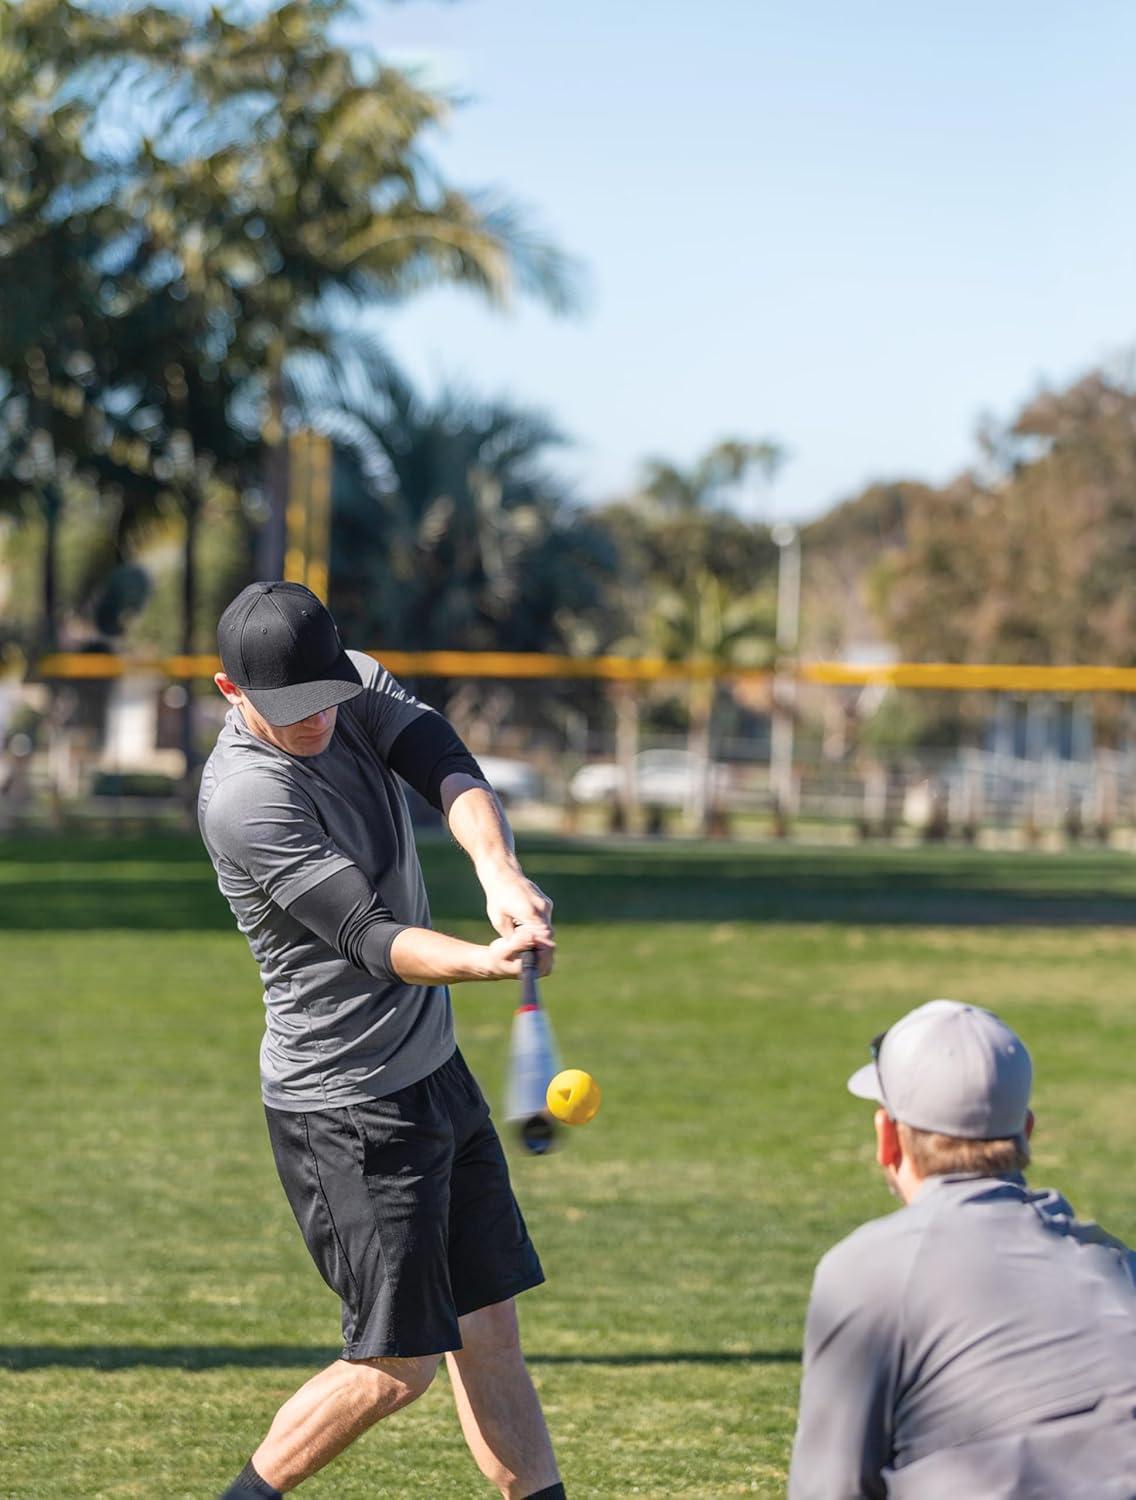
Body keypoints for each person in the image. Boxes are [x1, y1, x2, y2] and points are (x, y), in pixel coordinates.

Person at [197, 581, 566, 1500]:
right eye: (289, 709)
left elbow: (448, 767)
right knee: (397, 1367)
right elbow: (371, 939)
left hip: (433, 1072)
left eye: (325, 695)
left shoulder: (351, 684)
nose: (316, 718)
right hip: (346, 1106)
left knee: (490, 1332)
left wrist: (499, 871)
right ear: (228, 692)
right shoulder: (247, 797)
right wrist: (491, 962)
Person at [789, 999, 1136, 1500]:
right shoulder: (1120, 1267)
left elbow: (829, 1490)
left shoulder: (868, 1270)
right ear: (1027, 1132)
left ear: (887, 1138)